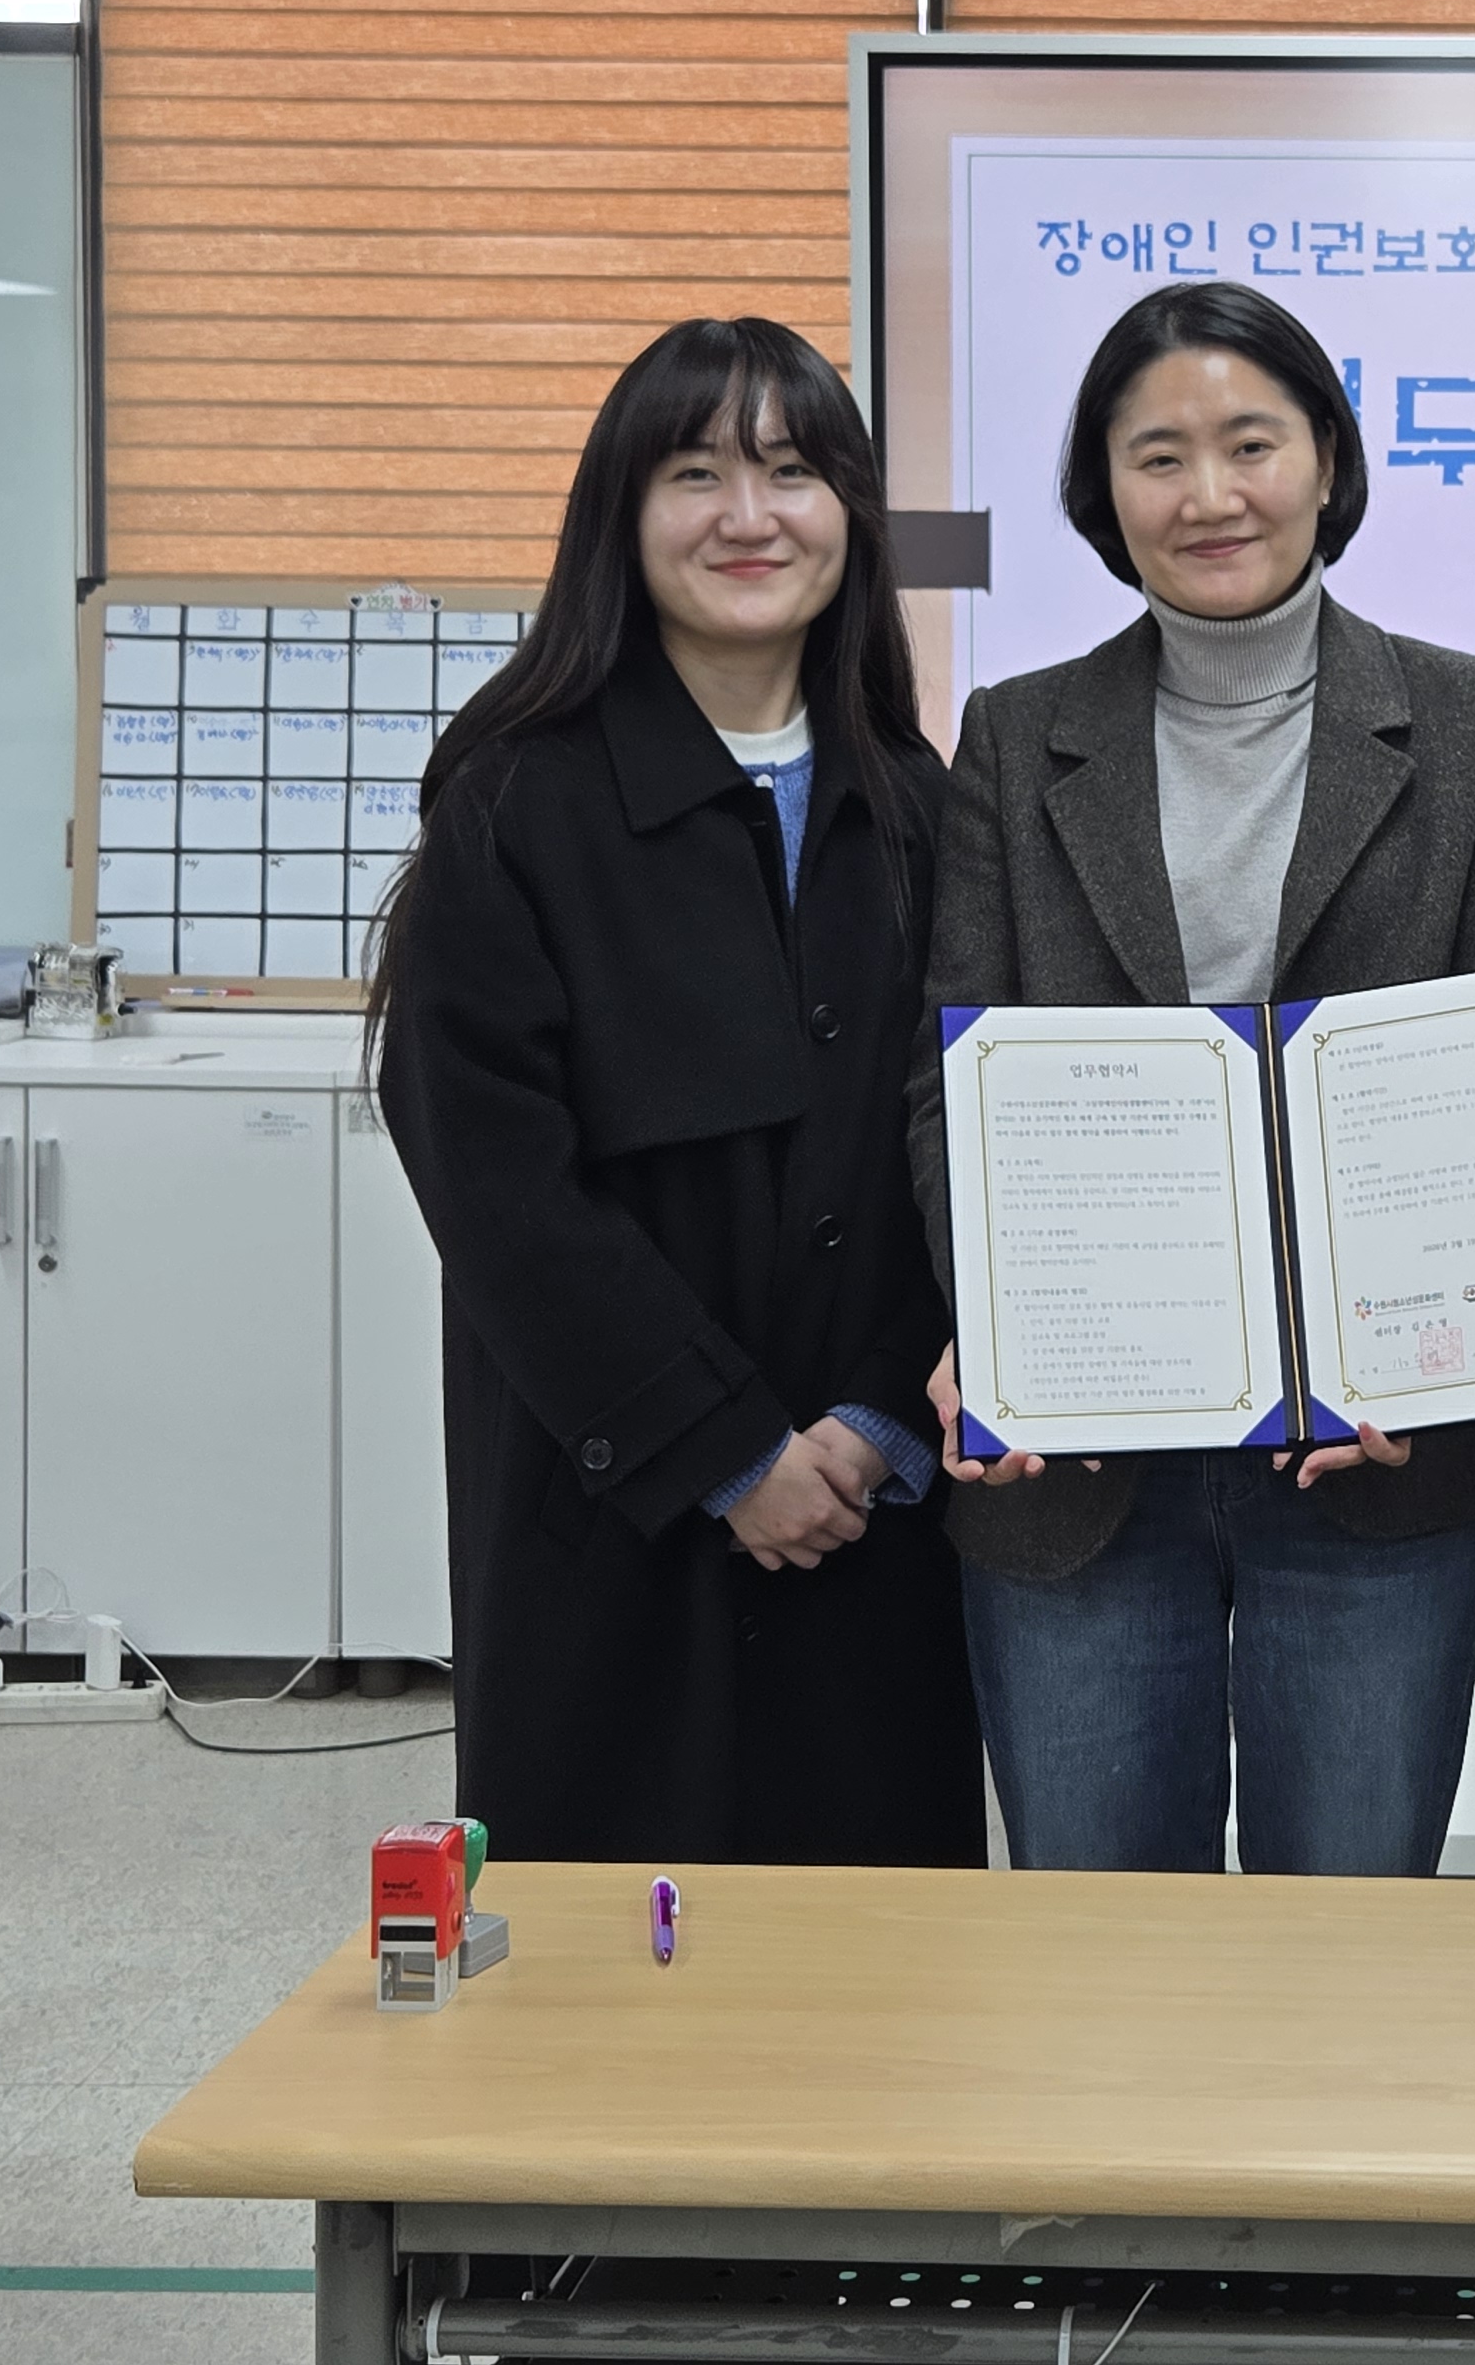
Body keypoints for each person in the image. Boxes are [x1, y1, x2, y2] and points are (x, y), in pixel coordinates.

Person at [913, 279, 1475, 1877]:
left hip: (1372, 1451)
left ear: (1327, 460)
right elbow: (952, 1086)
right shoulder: (1015, 734)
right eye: (1159, 457)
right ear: (1103, 492)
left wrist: (1429, 1360)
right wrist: (999, 1322)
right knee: (1099, 1939)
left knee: (1342, 1949)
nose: (1210, 495)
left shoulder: (1466, 717)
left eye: (1251, 444)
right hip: (1082, 1453)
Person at [369, 316, 978, 1868]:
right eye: (696, 474)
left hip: (873, 1509)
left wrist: (869, 1424)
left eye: (791, 473)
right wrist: (728, 1454)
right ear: (621, 516)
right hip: (609, 1513)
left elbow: (969, 1146)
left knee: (873, 1948)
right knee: (616, 1942)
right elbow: (497, 1183)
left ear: (850, 514)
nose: (748, 517)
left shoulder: (919, 807)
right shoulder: (516, 797)